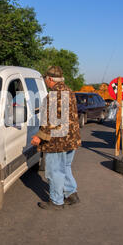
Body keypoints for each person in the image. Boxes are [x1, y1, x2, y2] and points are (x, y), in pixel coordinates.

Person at [31, 66, 82, 210]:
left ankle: (56, 202)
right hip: (71, 139)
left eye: (46, 79)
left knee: (55, 171)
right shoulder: (69, 92)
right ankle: (71, 194)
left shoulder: (54, 95)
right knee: (65, 168)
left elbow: (50, 122)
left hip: (57, 142)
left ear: (50, 79)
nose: (46, 81)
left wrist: (39, 138)